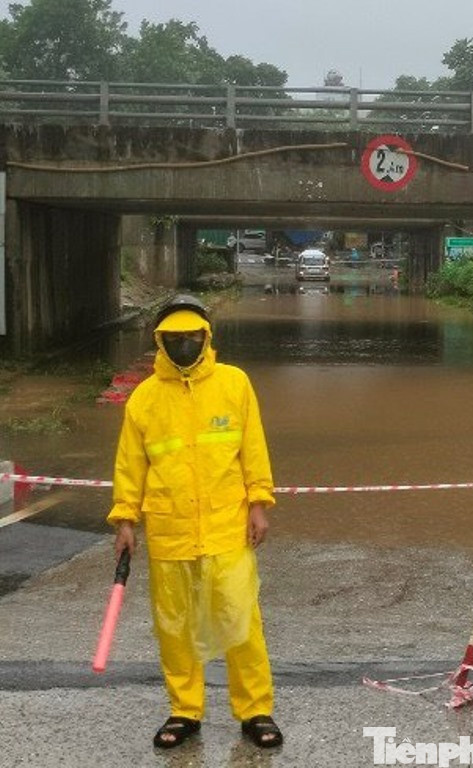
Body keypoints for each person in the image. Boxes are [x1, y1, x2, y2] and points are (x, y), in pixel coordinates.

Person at [107, 294, 283, 751]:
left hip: (227, 526)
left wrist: (258, 504)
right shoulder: (144, 398)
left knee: (241, 620)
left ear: (207, 337)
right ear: (160, 342)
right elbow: (131, 465)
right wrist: (125, 518)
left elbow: (253, 447)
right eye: (174, 338)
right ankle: (185, 710)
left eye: (192, 337)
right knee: (175, 627)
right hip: (169, 530)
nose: (184, 345)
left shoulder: (234, 383)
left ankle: (255, 710)